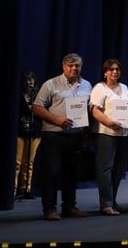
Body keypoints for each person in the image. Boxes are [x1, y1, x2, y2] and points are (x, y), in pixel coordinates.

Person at [32, 53, 93, 220]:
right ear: (63, 66)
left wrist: (85, 135)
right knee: (51, 173)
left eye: (77, 66)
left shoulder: (87, 85)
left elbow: (88, 110)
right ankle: (49, 209)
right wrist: (56, 119)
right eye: (70, 65)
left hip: (76, 136)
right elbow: (37, 107)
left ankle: (69, 207)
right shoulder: (51, 84)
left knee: (71, 173)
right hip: (54, 135)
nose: (74, 68)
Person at [88, 59, 128, 216]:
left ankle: (113, 201)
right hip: (105, 133)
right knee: (105, 168)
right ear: (105, 72)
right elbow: (94, 110)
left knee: (119, 169)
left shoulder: (124, 87)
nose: (115, 72)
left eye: (117, 69)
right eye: (111, 69)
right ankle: (106, 204)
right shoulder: (100, 88)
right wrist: (109, 123)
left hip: (123, 133)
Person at [15, 71, 41, 200]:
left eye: (31, 79)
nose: (29, 82)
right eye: (27, 79)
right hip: (20, 131)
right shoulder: (19, 95)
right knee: (17, 162)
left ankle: (26, 189)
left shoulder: (38, 95)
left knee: (29, 163)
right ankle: (14, 190)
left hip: (34, 132)